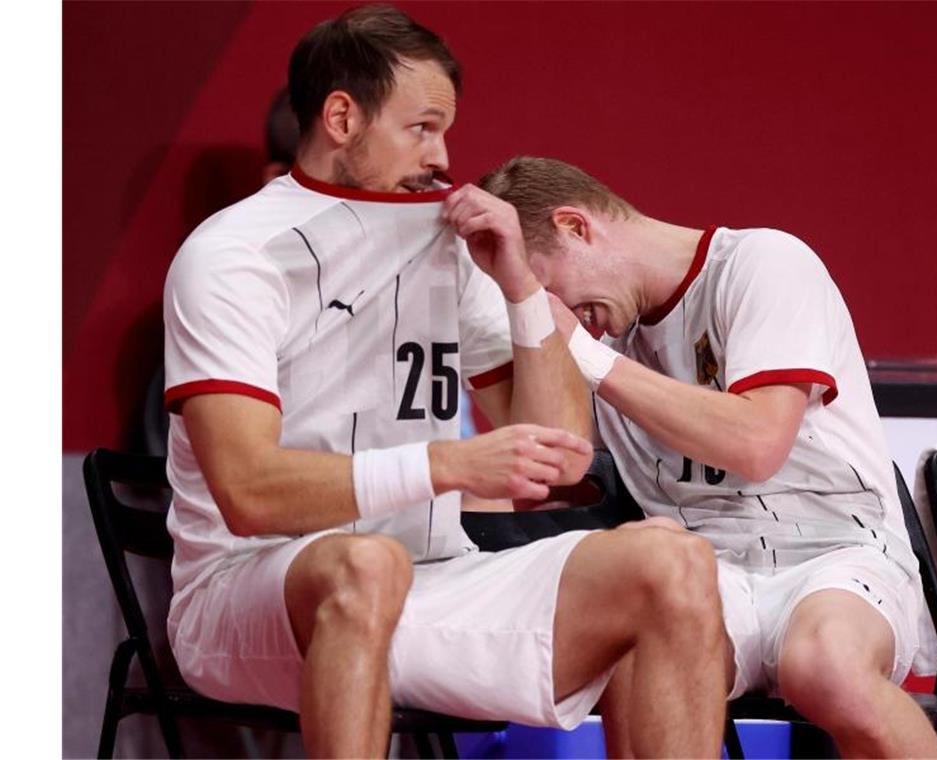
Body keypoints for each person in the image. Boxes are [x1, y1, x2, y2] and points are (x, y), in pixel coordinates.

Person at [162, 7, 727, 758]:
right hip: (246, 588)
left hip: (431, 573)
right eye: (422, 128)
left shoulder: (449, 245)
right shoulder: (234, 255)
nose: (443, 154)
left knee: (670, 558)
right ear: (341, 117)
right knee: (366, 563)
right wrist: (448, 464)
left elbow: (558, 460)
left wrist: (522, 289)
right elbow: (247, 491)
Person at [482, 156, 937, 758]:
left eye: (545, 289)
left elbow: (757, 445)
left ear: (576, 226)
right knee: (632, 652)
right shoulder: (594, 337)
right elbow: (553, 470)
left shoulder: (764, 263)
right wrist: (526, 314)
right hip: (701, 568)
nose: (557, 313)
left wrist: (586, 356)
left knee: (825, 665)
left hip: (834, 550)